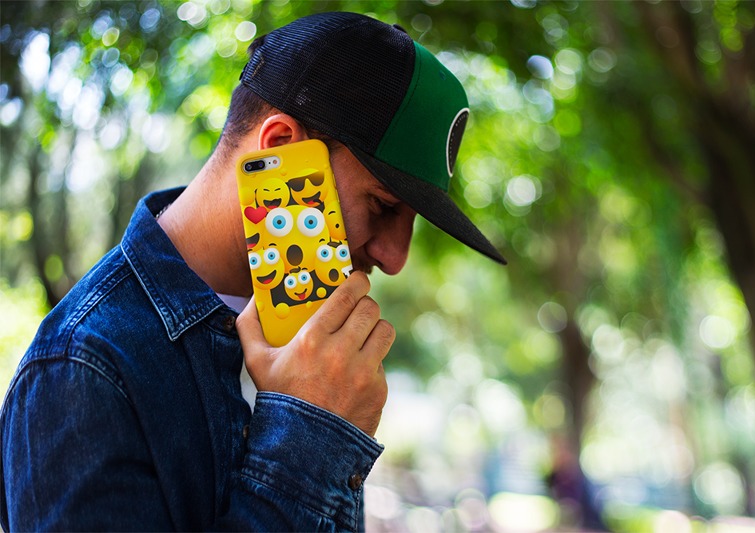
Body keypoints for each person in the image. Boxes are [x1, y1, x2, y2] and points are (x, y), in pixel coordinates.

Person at [0, 11, 506, 531]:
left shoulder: (310, 346)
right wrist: (310, 432)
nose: (396, 258)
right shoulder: (82, 369)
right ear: (281, 148)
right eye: (382, 205)